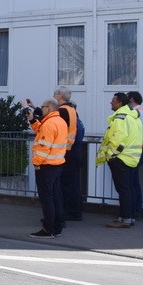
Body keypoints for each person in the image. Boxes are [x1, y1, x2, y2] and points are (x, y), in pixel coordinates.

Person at [96, 92, 143, 228]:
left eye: (113, 101)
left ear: (120, 103)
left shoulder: (120, 118)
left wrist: (112, 156)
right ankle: (129, 217)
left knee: (123, 190)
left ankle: (124, 219)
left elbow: (117, 140)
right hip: (132, 158)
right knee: (128, 189)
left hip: (120, 159)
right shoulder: (134, 117)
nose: (111, 103)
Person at [26, 99, 69, 237]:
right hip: (57, 164)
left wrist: (36, 162)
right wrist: (32, 120)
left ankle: (48, 229)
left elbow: (44, 147)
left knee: (47, 199)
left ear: (50, 108)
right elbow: (40, 130)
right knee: (55, 197)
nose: (41, 109)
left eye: (43, 107)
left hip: (46, 166)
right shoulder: (60, 121)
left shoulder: (49, 123)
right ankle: (57, 228)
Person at [53, 87, 86, 221]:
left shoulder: (62, 111)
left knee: (66, 184)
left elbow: (52, 123)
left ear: (60, 95)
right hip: (74, 151)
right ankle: (75, 211)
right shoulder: (72, 110)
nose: (54, 96)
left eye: (55, 94)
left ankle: (68, 212)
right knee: (72, 184)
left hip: (66, 153)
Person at [127, 91, 143, 220]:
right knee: (133, 181)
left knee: (132, 181)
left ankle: (134, 211)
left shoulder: (139, 113)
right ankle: (135, 210)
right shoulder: (140, 112)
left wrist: (133, 143)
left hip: (139, 149)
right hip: (139, 149)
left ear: (131, 99)